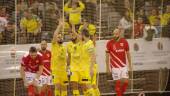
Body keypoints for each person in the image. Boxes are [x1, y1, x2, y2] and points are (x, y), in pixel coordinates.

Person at [106, 28, 132, 96]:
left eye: (116, 34)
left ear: (119, 34)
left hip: (123, 66)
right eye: (114, 34)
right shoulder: (109, 43)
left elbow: (128, 54)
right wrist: (107, 68)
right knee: (118, 83)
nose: (115, 35)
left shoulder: (124, 42)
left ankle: (120, 94)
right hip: (114, 67)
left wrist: (130, 65)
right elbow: (107, 57)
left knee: (126, 82)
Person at [51, 20, 68, 96]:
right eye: (58, 37)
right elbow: (55, 34)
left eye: (61, 37)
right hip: (55, 71)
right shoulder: (54, 45)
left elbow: (66, 58)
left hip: (63, 70)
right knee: (57, 87)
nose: (60, 38)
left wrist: (67, 66)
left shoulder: (64, 47)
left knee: (64, 87)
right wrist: (60, 26)